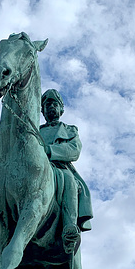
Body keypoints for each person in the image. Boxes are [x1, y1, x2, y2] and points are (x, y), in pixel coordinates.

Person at [40, 89, 92, 254]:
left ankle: (69, 226)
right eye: (47, 104)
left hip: (58, 167)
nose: (50, 107)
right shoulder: (35, 130)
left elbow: (73, 150)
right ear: (42, 110)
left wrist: (50, 150)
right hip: (33, 167)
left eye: (54, 103)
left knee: (69, 181)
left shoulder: (70, 130)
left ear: (61, 109)